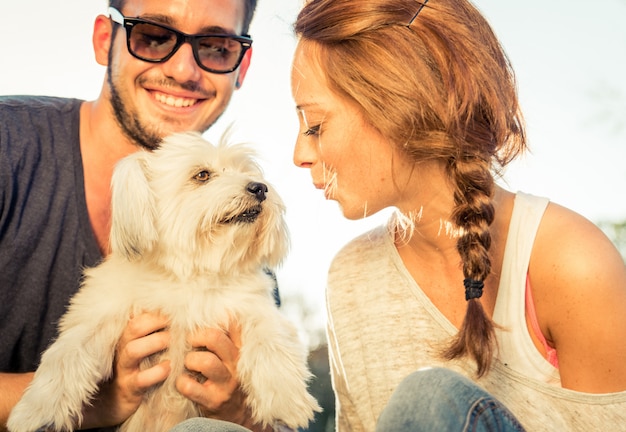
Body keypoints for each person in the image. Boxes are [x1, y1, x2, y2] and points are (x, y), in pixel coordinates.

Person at [291, 0, 626, 430]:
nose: (299, 154)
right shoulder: (350, 276)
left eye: (315, 125)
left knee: (429, 401)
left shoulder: (571, 262)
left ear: (398, 104)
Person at [0, 0, 275, 431]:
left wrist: (236, 412)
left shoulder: (235, 242)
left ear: (241, 67)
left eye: (217, 46)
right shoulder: (7, 146)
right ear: (104, 40)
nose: (185, 70)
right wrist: (94, 401)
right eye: (153, 35)